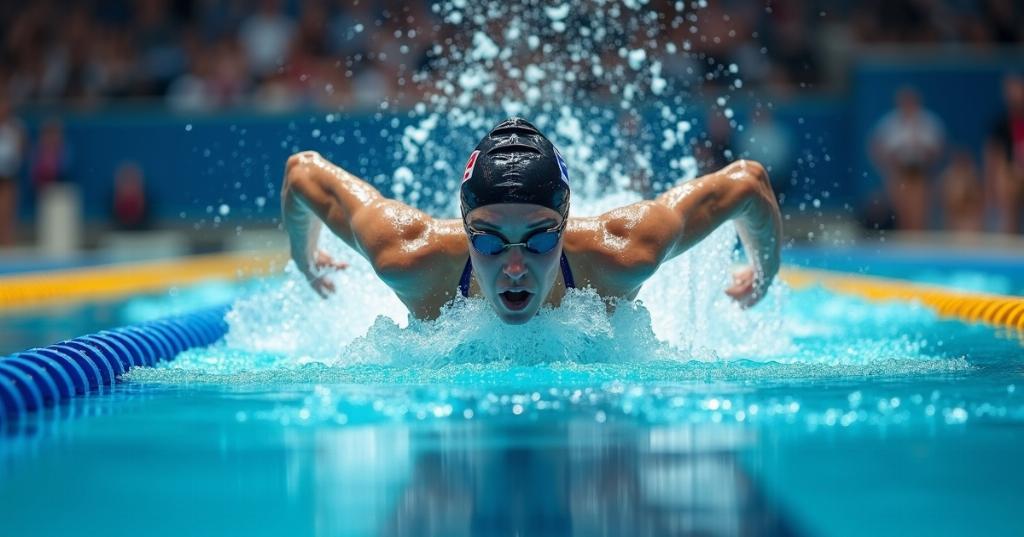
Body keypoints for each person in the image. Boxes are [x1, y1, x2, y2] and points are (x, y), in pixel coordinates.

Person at [282, 117, 782, 324]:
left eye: (541, 239)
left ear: (567, 223)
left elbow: (747, 183)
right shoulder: (409, 256)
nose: (515, 266)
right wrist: (306, 261)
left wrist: (764, 272)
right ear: (462, 223)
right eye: (491, 241)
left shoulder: (622, 252)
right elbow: (302, 172)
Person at [870, 87, 945, 230]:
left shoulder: (928, 122)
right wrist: (889, 169)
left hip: (921, 173)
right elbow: (876, 148)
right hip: (899, 173)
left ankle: (918, 242)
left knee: (919, 213)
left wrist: (925, 156)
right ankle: (904, 241)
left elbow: (939, 149)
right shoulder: (890, 123)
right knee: (901, 213)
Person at [985, 74, 1024, 234]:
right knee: (1004, 176)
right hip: (1010, 174)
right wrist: (991, 185)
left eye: (1017, 90)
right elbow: (992, 156)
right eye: (1009, 91)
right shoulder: (1000, 123)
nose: (1013, 95)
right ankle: (1009, 232)